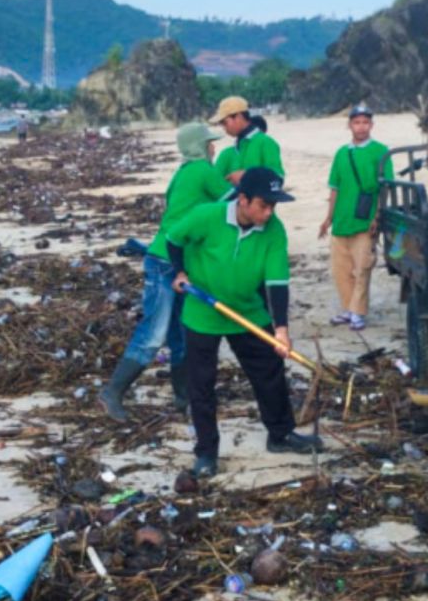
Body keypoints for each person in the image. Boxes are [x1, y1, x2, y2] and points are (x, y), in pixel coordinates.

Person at [166, 166, 323, 478]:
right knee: (202, 385)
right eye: (263, 205)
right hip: (202, 313)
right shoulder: (207, 216)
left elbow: (277, 282)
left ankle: (280, 434)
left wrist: (281, 330)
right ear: (243, 200)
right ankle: (207, 453)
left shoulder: (274, 230)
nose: (268, 213)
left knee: (270, 371)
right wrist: (179, 273)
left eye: (272, 206)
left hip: (248, 312)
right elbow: (174, 238)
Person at [100, 122, 232, 421]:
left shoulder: (184, 172)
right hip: (166, 262)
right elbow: (235, 203)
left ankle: (183, 398)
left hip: (171, 259)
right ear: (199, 147)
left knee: (180, 335)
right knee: (153, 333)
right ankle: (112, 393)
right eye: (210, 143)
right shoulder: (202, 170)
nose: (214, 147)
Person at [318, 103, 394, 330]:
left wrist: (377, 217)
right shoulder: (342, 153)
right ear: (349, 125)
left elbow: (385, 187)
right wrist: (328, 218)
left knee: (362, 268)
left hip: (364, 219)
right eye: (356, 122)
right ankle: (347, 308)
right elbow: (335, 188)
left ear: (371, 124)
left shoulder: (381, 151)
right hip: (341, 220)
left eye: (365, 122)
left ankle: (358, 312)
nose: (361, 127)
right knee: (341, 269)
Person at [209, 96, 284, 184]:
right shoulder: (228, 153)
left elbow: (278, 177)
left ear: (238, 117)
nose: (224, 128)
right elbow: (214, 181)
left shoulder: (266, 143)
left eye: (225, 123)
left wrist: (247, 175)